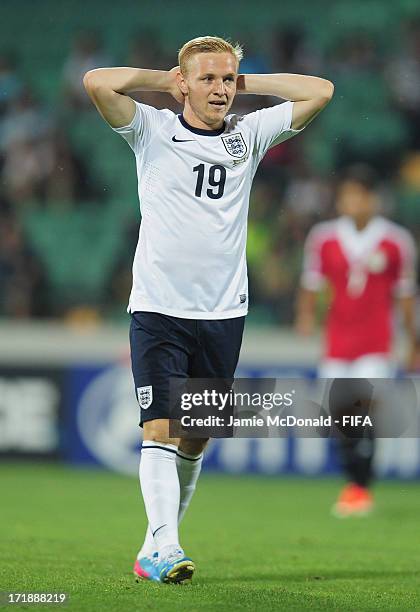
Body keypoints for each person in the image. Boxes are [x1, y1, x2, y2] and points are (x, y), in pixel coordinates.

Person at [83, 35, 333, 583]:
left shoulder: (249, 134)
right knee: (161, 427)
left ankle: (158, 542)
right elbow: (97, 81)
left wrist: (249, 83)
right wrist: (166, 77)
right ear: (182, 85)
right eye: (208, 79)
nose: (221, 90)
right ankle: (164, 547)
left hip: (223, 311)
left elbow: (320, 91)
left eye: (227, 80)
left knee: (197, 435)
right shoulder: (151, 129)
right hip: (158, 307)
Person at [296, 165, 417, 517]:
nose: (354, 202)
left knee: (362, 409)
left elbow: (405, 294)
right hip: (337, 341)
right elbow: (311, 283)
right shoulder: (324, 237)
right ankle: (356, 483)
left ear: (373, 199)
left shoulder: (395, 240)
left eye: (361, 195)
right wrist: (306, 316)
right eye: (348, 195)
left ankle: (360, 487)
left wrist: (413, 340)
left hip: (377, 341)